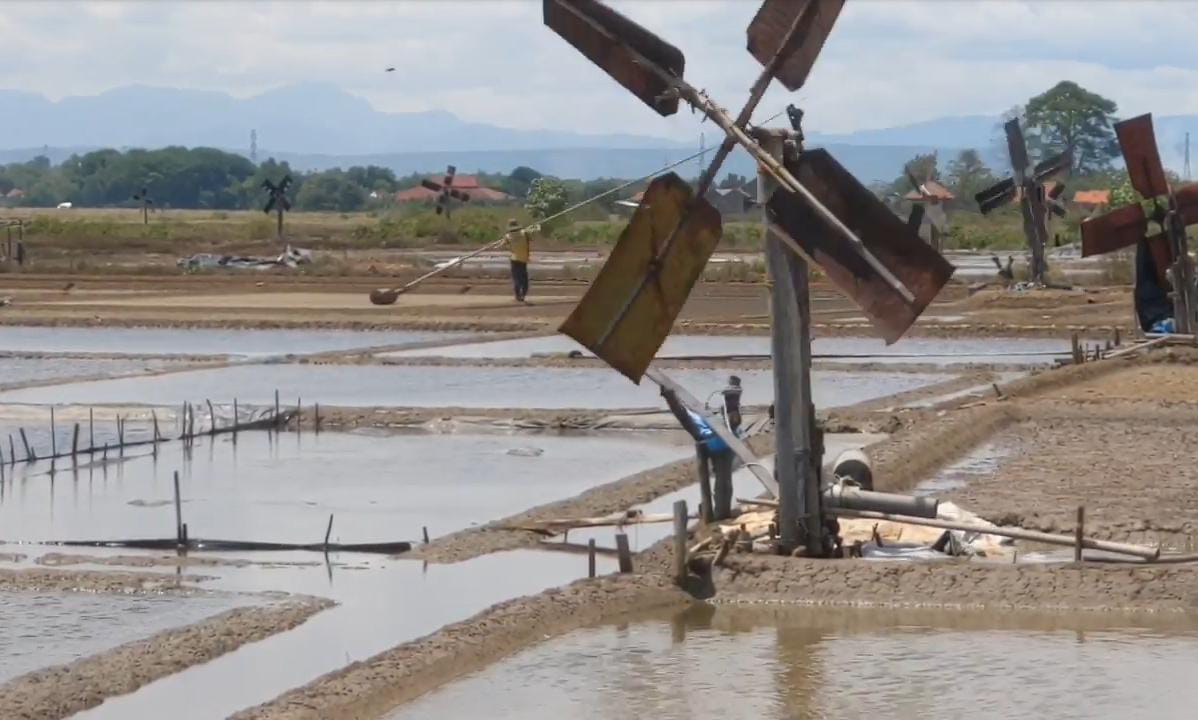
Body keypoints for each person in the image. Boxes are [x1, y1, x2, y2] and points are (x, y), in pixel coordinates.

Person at [661, 376, 741, 522]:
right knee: (717, 482)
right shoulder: (695, 421)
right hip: (708, 442)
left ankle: (721, 514)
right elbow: (681, 412)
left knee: (723, 482)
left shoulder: (729, 419)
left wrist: (732, 400)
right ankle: (713, 513)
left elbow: (733, 421)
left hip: (725, 444)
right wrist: (669, 396)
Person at [504, 218, 532, 302]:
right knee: (524, 278)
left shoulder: (508, 236)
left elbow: (505, 245)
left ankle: (518, 296)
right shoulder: (525, 234)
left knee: (516, 278)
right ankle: (523, 294)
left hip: (514, 259)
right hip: (523, 259)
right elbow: (529, 241)